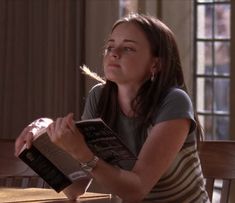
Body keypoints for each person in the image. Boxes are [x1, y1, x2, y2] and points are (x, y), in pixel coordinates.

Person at [15, 13, 209, 203]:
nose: (114, 53)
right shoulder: (98, 97)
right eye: (110, 47)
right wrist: (41, 144)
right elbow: (75, 189)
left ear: (155, 64)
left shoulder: (174, 101)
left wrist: (83, 153)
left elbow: (136, 191)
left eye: (128, 48)